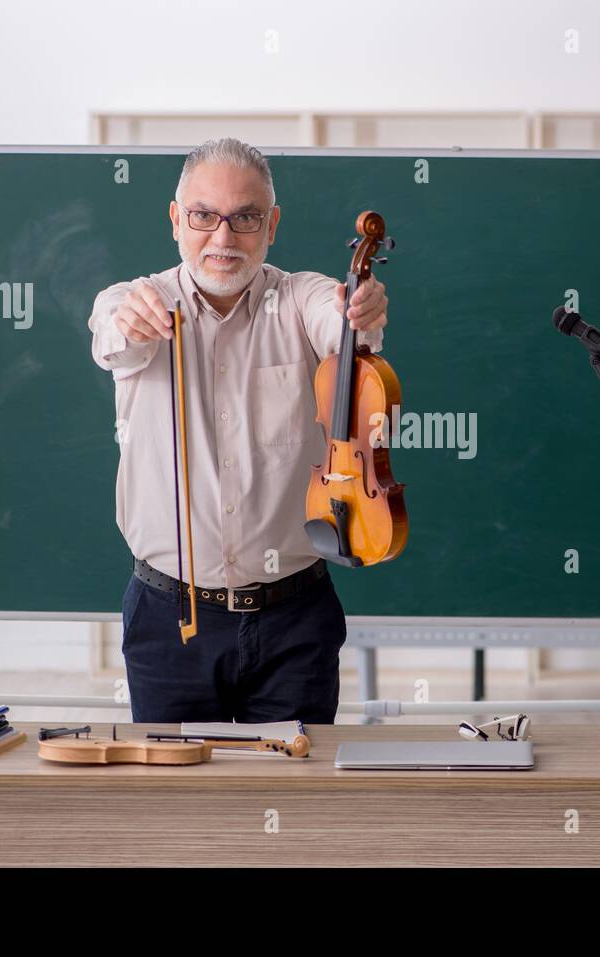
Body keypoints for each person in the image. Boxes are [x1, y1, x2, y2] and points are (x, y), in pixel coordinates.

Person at [87, 137, 389, 724]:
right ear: (177, 218)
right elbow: (112, 334)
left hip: (294, 619)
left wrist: (360, 311)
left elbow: (344, 323)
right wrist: (127, 321)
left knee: (294, 802)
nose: (223, 238)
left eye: (245, 218)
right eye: (204, 216)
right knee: (181, 807)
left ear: (271, 224)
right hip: (168, 618)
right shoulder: (135, 301)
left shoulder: (301, 298)